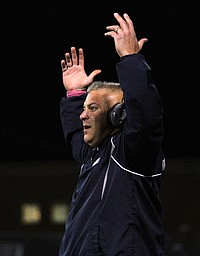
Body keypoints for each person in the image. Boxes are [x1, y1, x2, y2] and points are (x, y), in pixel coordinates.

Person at [59, 13, 165, 255]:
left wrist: (130, 59)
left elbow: (146, 116)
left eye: (92, 108)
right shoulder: (93, 156)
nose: (82, 116)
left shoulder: (134, 155)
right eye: (83, 109)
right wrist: (75, 94)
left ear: (118, 114)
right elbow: (76, 135)